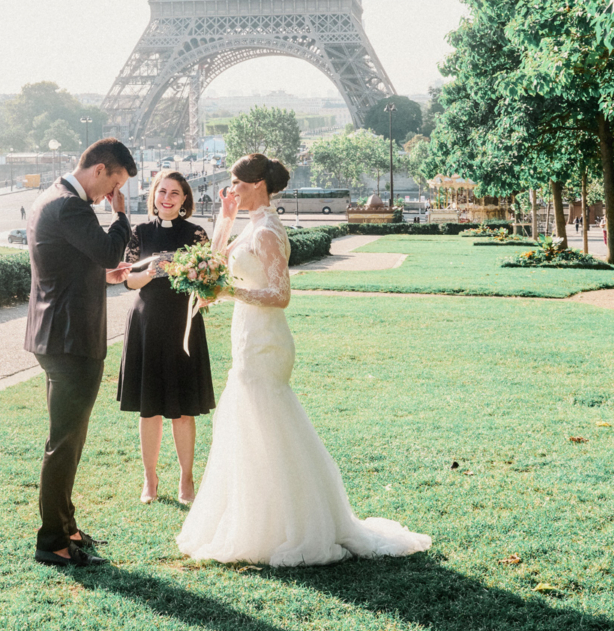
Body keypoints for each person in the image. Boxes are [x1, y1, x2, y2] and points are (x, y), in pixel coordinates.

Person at [176, 152, 431, 567]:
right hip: (247, 334)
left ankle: (285, 524)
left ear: (258, 184)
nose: (232, 189)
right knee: (250, 426)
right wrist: (223, 219)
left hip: (266, 340)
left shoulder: (269, 232)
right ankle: (259, 517)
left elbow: (281, 295)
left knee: (268, 423)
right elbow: (216, 262)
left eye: (238, 184)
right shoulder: (252, 224)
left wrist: (227, 293)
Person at [23, 137, 136, 569]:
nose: (112, 195)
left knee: (70, 438)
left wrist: (100, 275)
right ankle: (52, 542)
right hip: (70, 340)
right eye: (115, 184)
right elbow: (108, 247)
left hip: (56, 334)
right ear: (101, 168)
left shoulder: (52, 197)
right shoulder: (71, 205)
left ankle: (66, 526)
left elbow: (67, 262)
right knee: (64, 442)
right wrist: (122, 216)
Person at [117, 170, 216, 504]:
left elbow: (211, 283)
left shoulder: (197, 233)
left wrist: (193, 278)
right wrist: (154, 270)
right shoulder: (139, 232)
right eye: (162, 192)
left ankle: (186, 480)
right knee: (150, 410)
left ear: (185, 198)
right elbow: (127, 281)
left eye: (175, 193)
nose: (167, 199)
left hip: (184, 326)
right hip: (147, 323)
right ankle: (150, 479)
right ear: (153, 196)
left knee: (183, 410)